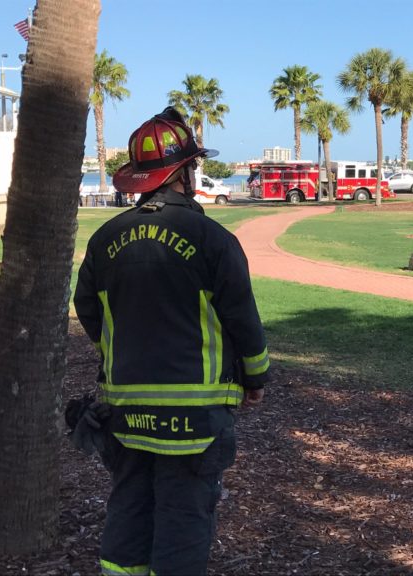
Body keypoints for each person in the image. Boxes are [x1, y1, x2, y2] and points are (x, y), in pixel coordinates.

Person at [72, 106, 271, 575]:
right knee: (183, 518)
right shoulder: (211, 238)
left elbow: (87, 308)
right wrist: (256, 377)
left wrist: (123, 348)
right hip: (195, 417)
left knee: (129, 510)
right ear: (185, 170)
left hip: (126, 411)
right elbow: (242, 319)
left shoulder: (105, 239)